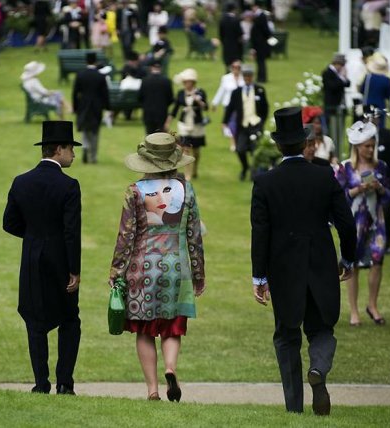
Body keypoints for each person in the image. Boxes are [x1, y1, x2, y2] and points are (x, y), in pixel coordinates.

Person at [251, 106, 356, 415]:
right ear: (304, 142)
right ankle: (319, 370)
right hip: (322, 263)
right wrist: (347, 257)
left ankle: (294, 407)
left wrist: (259, 276)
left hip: (283, 269)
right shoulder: (324, 176)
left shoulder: (265, 183)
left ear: (279, 145)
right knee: (322, 329)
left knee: (286, 335)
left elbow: (260, 232)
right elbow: (347, 223)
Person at [109, 132, 205, 401]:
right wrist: (198, 273)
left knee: (144, 329)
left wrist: (117, 270)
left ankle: (152, 389)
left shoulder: (134, 191)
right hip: (178, 268)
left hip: (142, 267)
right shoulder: (187, 190)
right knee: (172, 326)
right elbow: (194, 235)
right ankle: (171, 368)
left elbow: (125, 235)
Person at [2, 120, 82, 395]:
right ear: (59, 149)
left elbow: (9, 223)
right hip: (60, 261)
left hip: (32, 261)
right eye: (71, 148)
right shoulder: (69, 186)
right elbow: (72, 232)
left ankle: (40, 383)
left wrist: (36, 237)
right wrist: (74, 269)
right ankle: (65, 383)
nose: (73, 154)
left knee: (35, 321)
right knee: (69, 319)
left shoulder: (21, 181)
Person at [336, 121, 390, 326]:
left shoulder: (381, 166)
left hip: (376, 221)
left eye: (372, 145)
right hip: (354, 222)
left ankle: (372, 305)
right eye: (367, 146)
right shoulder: (345, 167)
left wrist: (379, 188)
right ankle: (353, 311)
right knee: (354, 264)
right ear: (357, 147)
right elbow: (338, 196)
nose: (370, 149)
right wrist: (357, 190)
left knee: (377, 261)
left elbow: (389, 196)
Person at [223, 64, 268, 181]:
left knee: (255, 150)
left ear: (253, 76)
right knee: (240, 149)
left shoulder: (260, 90)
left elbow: (265, 108)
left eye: (250, 76)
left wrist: (261, 122)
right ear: (243, 77)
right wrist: (225, 121)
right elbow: (230, 108)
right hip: (242, 125)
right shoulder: (236, 92)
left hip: (256, 125)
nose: (248, 78)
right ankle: (245, 167)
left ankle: (254, 172)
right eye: (246, 76)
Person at [366, 107, 390, 254]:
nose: (372, 120)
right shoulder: (360, 138)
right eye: (368, 118)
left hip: (386, 183)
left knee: (387, 211)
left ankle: (386, 243)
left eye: (374, 117)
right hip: (366, 181)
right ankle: (368, 241)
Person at [167, 68, 208, 180]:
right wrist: (168, 122)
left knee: (196, 150)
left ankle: (195, 169)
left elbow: (205, 107)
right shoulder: (181, 93)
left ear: (193, 82)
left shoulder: (200, 92)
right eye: (184, 82)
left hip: (196, 124)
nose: (186, 84)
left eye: (188, 82)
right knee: (186, 149)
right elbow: (175, 109)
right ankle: (187, 174)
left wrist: (198, 100)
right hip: (184, 123)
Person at [72, 52, 109, 164]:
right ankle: (93, 156)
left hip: (83, 105)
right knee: (95, 131)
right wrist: (107, 107)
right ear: (96, 61)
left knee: (85, 129)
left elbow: (75, 93)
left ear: (86, 61)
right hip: (96, 106)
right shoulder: (100, 76)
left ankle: (85, 146)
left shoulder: (80, 74)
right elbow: (105, 94)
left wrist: (75, 107)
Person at [211, 59, 244, 151]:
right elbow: (221, 91)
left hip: (241, 106)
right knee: (232, 124)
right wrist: (215, 103)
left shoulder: (244, 78)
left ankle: (239, 142)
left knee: (239, 124)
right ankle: (233, 143)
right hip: (229, 106)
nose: (236, 69)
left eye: (238, 67)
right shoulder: (226, 78)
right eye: (234, 67)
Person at [322, 53, 350, 160]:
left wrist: (343, 78)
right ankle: (332, 154)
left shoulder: (338, 75)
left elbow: (348, 84)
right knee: (331, 132)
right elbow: (332, 86)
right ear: (338, 64)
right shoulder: (327, 73)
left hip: (340, 108)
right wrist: (342, 78)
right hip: (331, 108)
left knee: (339, 132)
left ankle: (338, 152)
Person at [139, 59, 174, 135]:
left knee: (149, 136)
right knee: (161, 136)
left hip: (148, 113)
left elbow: (140, 97)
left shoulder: (145, 81)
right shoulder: (166, 81)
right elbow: (170, 98)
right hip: (162, 112)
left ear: (151, 68)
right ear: (161, 68)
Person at [360, 53, 390, 129]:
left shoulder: (368, 77)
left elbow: (362, 90)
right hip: (380, 105)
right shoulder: (387, 80)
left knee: (367, 127)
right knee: (380, 127)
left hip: (368, 104)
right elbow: (388, 95)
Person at [249, 0, 271, 83]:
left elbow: (266, 30)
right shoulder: (258, 16)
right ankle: (260, 77)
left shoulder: (261, 16)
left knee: (261, 61)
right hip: (258, 42)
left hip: (261, 43)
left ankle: (262, 78)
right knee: (259, 61)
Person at [218, 2, 243, 72]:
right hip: (235, 44)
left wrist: (223, 41)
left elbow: (221, 33)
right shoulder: (236, 20)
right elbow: (240, 33)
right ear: (234, 9)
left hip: (226, 43)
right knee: (235, 61)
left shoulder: (222, 20)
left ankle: (228, 73)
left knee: (227, 62)